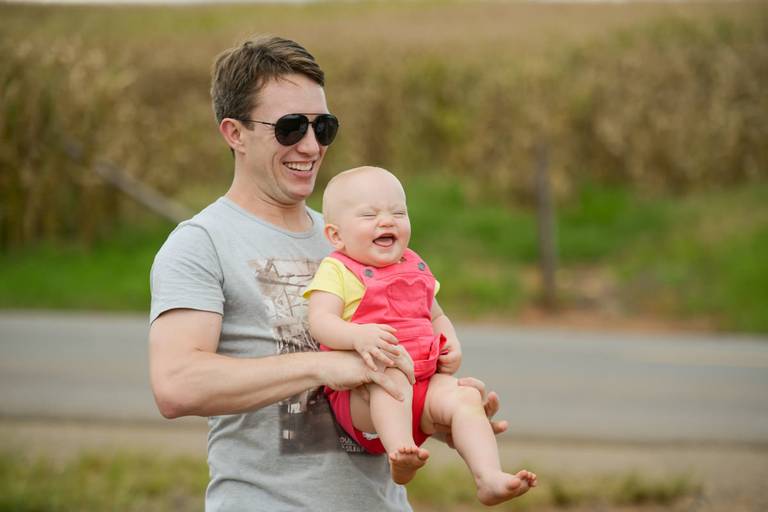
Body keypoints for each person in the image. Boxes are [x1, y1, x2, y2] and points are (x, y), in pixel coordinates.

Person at [148, 35, 509, 511]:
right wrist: (325, 365)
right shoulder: (202, 243)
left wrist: (439, 412)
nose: (312, 145)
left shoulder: (353, 237)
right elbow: (176, 384)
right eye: (291, 127)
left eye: (324, 127)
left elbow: (382, 397)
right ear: (234, 133)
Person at [304, 166, 537, 505]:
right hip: (365, 396)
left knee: (465, 396)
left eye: (398, 213)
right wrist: (357, 336)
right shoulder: (336, 269)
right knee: (390, 377)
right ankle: (401, 457)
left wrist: (450, 342)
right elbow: (321, 322)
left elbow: (436, 315)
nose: (387, 221)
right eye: (370, 215)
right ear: (336, 236)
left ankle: (488, 477)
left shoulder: (414, 265)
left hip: (423, 386)